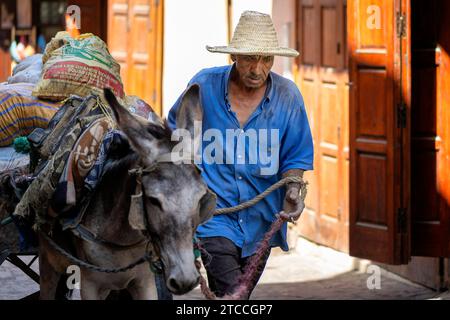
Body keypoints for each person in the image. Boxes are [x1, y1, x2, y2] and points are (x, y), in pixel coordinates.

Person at [167, 10, 314, 299]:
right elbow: (177, 137)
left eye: (266, 59)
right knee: (234, 294)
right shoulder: (203, 87)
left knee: (236, 295)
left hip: (262, 223)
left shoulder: (288, 97)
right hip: (213, 218)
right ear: (233, 57)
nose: (257, 69)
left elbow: (295, 157)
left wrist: (294, 189)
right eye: (249, 58)